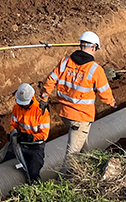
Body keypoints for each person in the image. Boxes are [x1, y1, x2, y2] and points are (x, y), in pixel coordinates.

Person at [40, 30, 116, 167]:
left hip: (64, 113)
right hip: (80, 117)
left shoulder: (65, 62)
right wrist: (112, 102)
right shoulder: (95, 69)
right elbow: (105, 93)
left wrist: (44, 98)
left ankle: (89, 165)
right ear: (93, 48)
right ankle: (64, 183)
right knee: (71, 157)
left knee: (82, 140)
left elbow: (50, 80)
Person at [0, 83, 50, 183]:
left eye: (25, 103)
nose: (23, 105)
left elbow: (44, 135)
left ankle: (34, 186)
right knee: (5, 163)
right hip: (20, 144)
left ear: (32, 98)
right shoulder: (17, 108)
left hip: (35, 146)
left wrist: (31, 137)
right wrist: (13, 134)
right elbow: (13, 124)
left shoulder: (41, 111)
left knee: (34, 170)